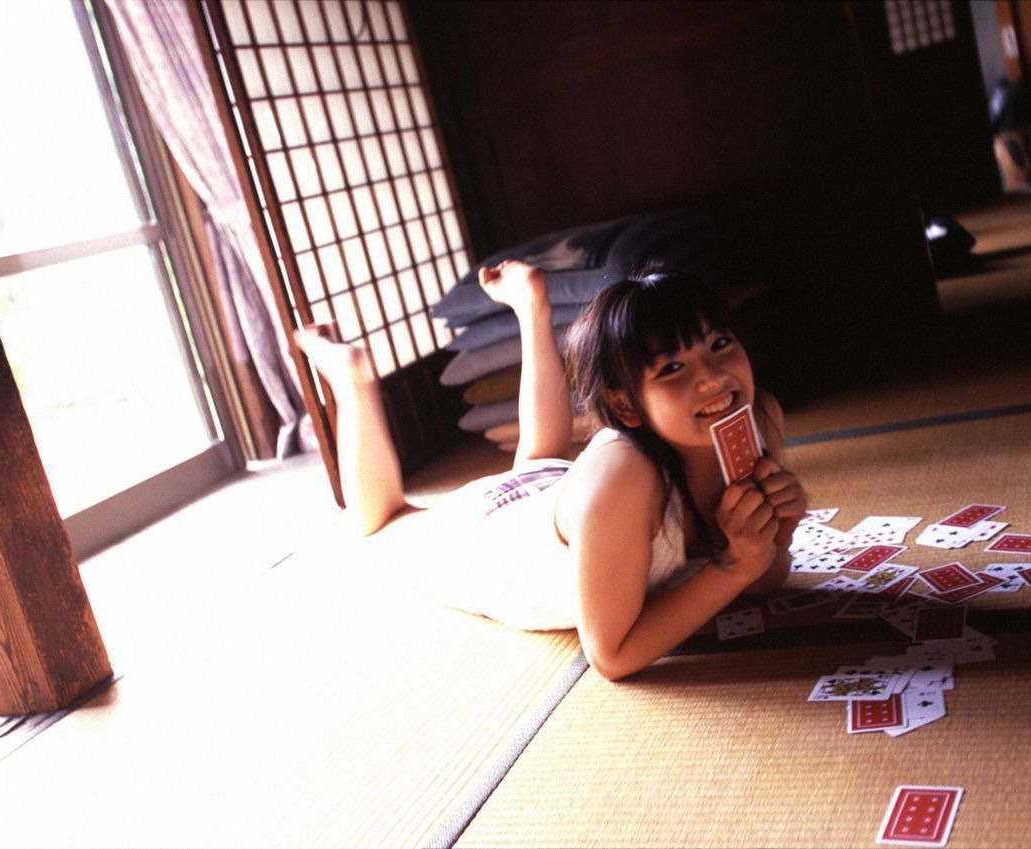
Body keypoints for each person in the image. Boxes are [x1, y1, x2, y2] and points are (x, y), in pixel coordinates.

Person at [296, 261, 807, 680]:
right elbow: (612, 656)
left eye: (719, 345)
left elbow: (762, 580)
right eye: (671, 368)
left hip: (557, 493)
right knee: (380, 521)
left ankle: (531, 307)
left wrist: (773, 538)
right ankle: (354, 382)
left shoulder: (759, 417)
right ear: (625, 408)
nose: (713, 378)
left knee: (540, 457)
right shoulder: (624, 477)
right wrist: (735, 564)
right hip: (493, 539)